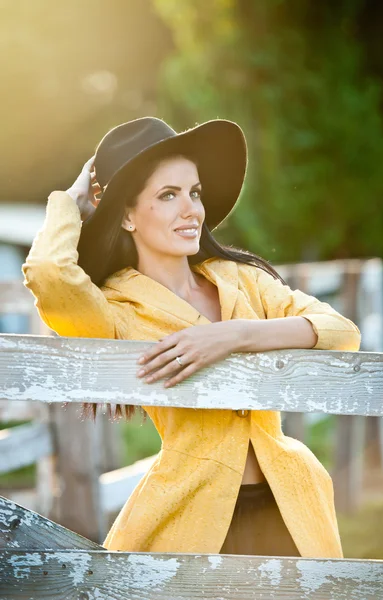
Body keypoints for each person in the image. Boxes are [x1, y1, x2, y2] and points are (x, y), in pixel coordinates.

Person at [22, 116, 361, 557]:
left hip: (291, 503)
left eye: (194, 193)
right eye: (168, 195)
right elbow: (50, 275)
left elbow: (340, 331)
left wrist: (233, 335)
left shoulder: (243, 281)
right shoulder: (116, 310)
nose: (192, 210)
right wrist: (70, 200)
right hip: (190, 514)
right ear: (127, 215)